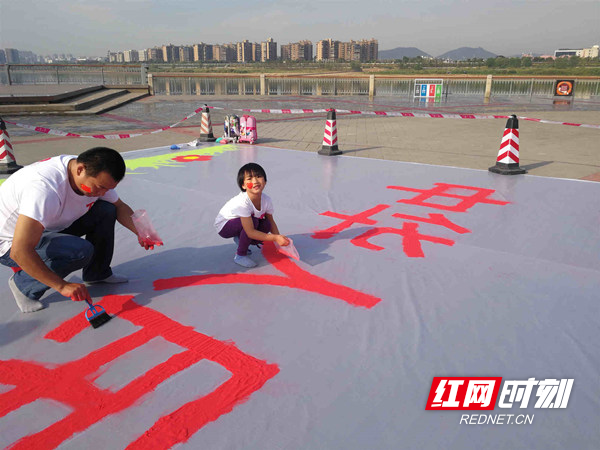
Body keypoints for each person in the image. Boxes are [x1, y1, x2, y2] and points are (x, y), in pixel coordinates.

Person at [0, 147, 154, 313]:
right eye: (99, 187)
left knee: (107, 209)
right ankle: (23, 285)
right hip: (10, 241)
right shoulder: (44, 189)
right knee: (80, 251)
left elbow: (120, 206)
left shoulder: (88, 170)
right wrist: (62, 286)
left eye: (107, 189)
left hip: (47, 225)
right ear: (80, 170)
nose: (102, 193)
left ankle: (97, 273)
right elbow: (20, 251)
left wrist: (142, 232)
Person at [215, 163, 289, 268]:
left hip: (244, 223)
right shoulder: (242, 202)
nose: (255, 181)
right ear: (243, 186)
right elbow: (250, 232)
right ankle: (240, 255)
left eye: (258, 177)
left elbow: (271, 222)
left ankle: (240, 239)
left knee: (265, 224)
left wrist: (279, 242)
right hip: (225, 226)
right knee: (253, 223)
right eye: (249, 179)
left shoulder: (266, 200)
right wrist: (275, 238)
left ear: (265, 181)